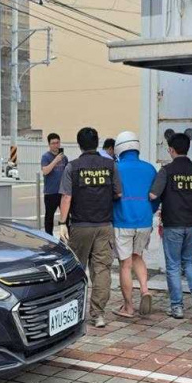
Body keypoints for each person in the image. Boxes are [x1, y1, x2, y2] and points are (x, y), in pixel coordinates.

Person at [59, 127, 122, 328]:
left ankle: (74, 314)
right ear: (98, 142)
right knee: (102, 270)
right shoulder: (110, 165)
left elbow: (67, 197)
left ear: (79, 144)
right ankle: (98, 315)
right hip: (104, 225)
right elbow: (118, 193)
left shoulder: (72, 167)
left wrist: (62, 223)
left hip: (80, 226)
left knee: (77, 270)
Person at [149, 132, 192, 319]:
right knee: (188, 261)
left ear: (171, 150)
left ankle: (176, 306)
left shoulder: (166, 170)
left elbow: (153, 195)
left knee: (174, 265)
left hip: (173, 224)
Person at [111, 131, 158, 319]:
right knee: (138, 256)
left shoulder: (116, 168)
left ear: (119, 148)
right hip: (144, 220)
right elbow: (156, 197)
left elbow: (111, 196)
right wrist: (149, 211)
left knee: (125, 264)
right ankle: (145, 290)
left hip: (123, 220)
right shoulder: (150, 169)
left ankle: (128, 307)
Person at [41, 133, 68, 236]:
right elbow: (45, 171)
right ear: (49, 144)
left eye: (57, 143)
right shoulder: (46, 157)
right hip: (51, 192)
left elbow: (67, 172)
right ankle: (49, 238)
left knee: (65, 216)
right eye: (53, 143)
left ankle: (65, 238)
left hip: (63, 192)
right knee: (49, 217)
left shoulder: (64, 158)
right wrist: (55, 160)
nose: (56, 145)